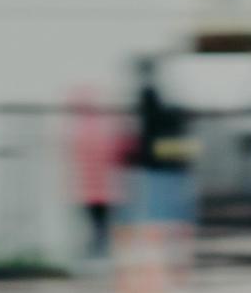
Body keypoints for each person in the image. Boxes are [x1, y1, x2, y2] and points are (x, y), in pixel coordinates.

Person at [127, 57, 197, 262]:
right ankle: (166, 251)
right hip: (163, 162)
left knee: (163, 209)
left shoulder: (152, 96)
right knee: (164, 209)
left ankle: (166, 251)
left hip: (165, 162)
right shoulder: (151, 97)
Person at [65, 85, 123, 266]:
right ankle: (100, 253)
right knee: (100, 226)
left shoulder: (79, 130)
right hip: (103, 189)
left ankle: (96, 254)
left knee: (95, 225)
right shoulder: (105, 127)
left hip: (89, 189)